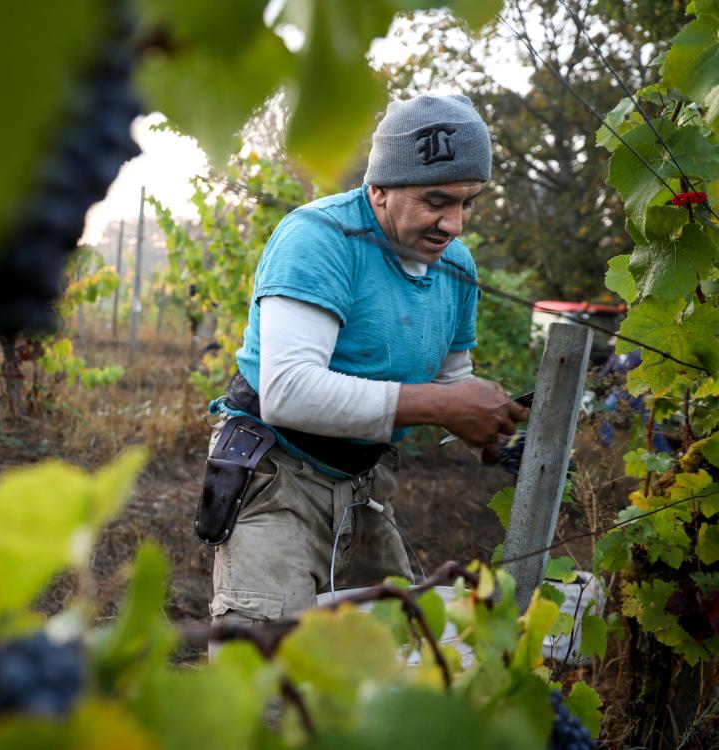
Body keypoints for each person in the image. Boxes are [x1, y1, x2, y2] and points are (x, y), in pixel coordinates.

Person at [198, 94, 529, 641]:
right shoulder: (319, 239)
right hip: (278, 475)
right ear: (378, 189)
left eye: (469, 202)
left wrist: (497, 433)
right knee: (263, 670)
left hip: (364, 484)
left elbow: (450, 378)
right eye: (437, 201)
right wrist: (444, 405)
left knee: (402, 648)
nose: (455, 224)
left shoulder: (455, 266)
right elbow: (287, 391)